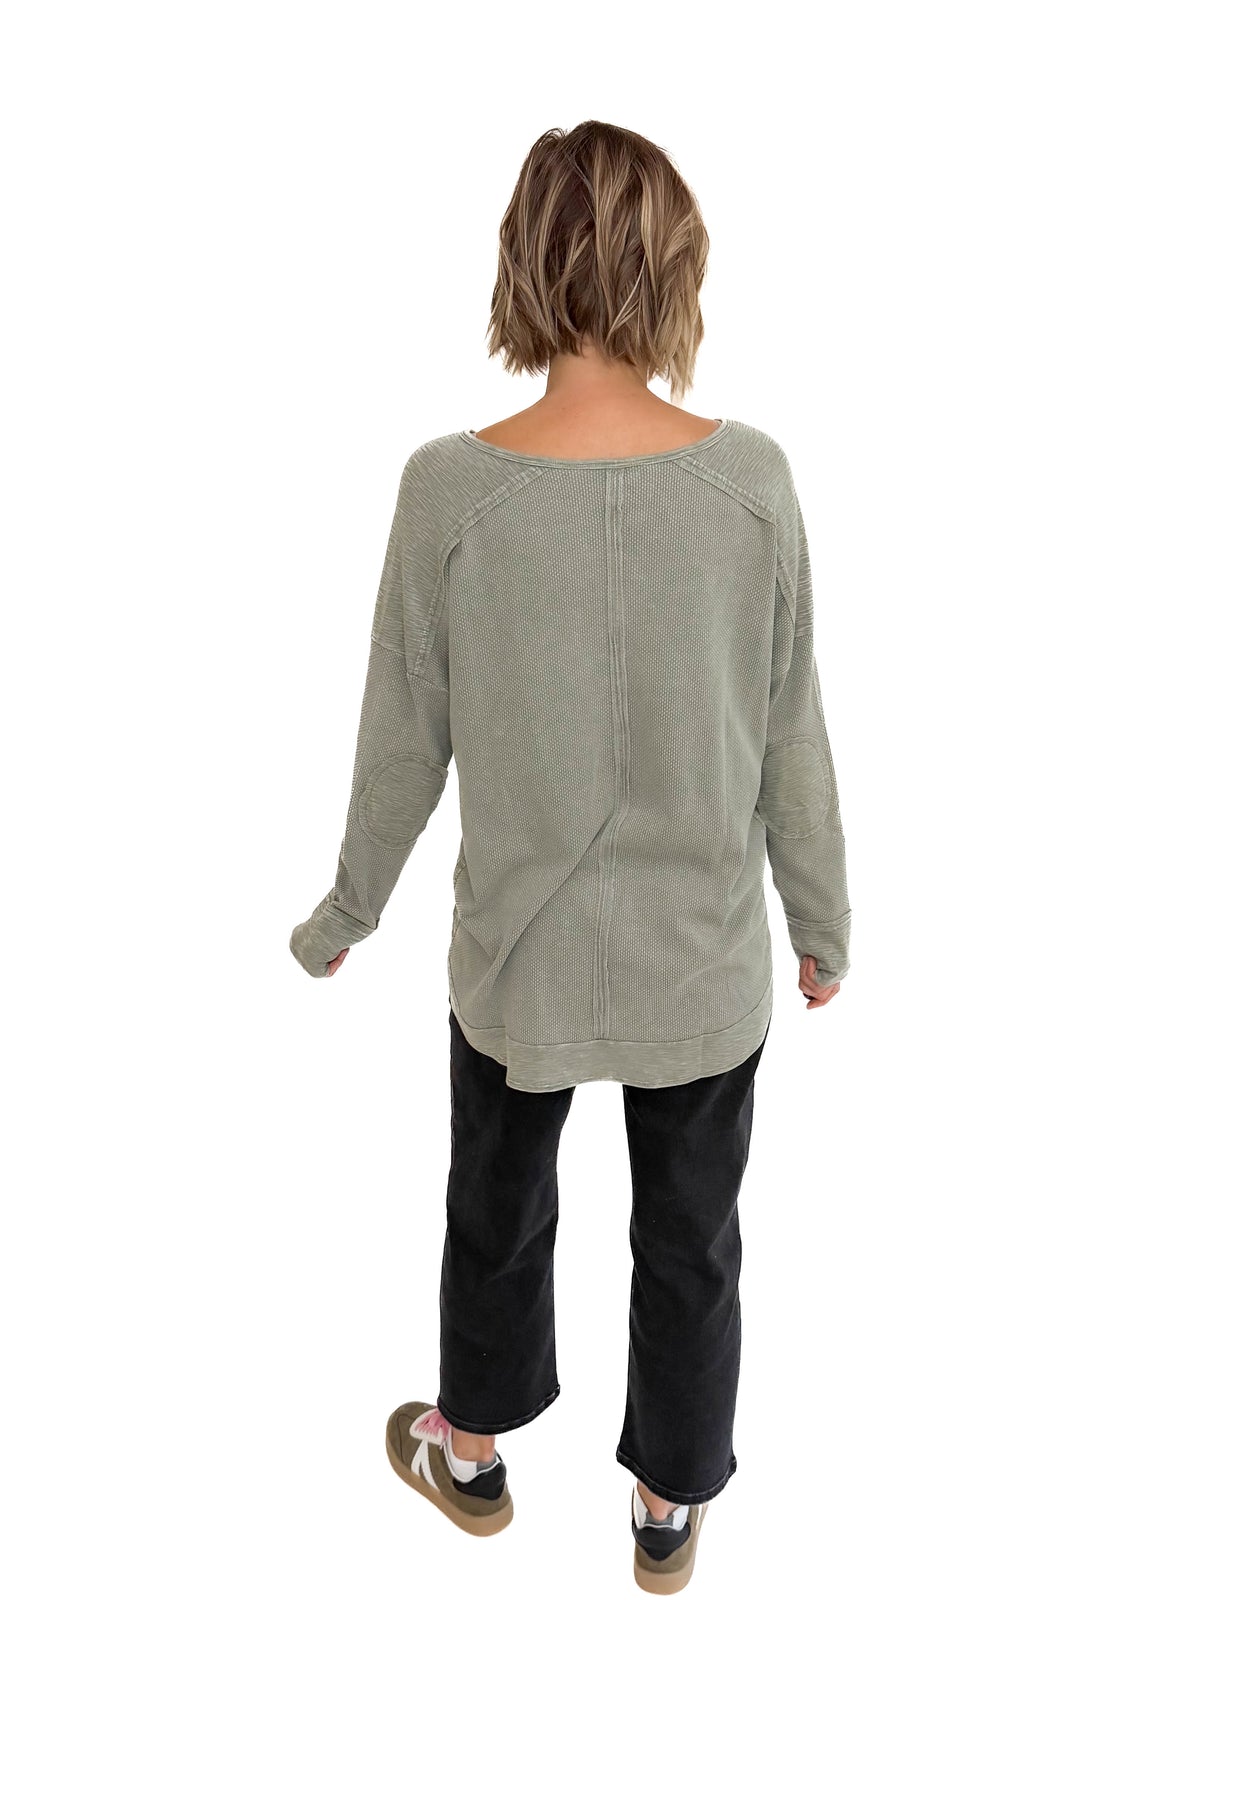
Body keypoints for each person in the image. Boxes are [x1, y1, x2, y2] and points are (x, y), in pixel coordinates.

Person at [289, 120, 851, 1595]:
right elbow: (790, 726)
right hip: (700, 960)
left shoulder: (448, 488)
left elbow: (401, 735)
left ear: (523, 266)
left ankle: (470, 1451)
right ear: (678, 269)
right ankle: (668, 1502)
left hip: (517, 965)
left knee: (493, 1208)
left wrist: (347, 909)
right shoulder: (752, 482)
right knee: (692, 1240)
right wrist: (824, 920)